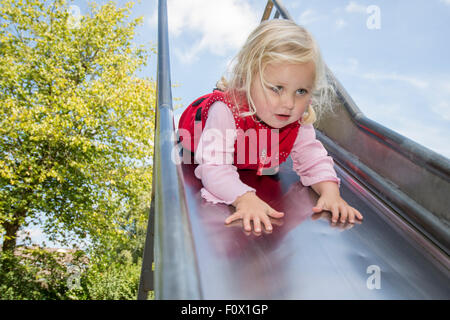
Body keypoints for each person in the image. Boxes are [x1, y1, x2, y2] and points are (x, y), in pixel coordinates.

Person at [178, 19, 363, 233]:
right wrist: (244, 198)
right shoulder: (226, 111)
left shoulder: (297, 120)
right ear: (248, 78)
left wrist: (330, 192)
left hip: (248, 155)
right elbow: (215, 166)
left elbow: (312, 157)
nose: (289, 103)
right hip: (199, 138)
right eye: (277, 88)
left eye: (301, 91)